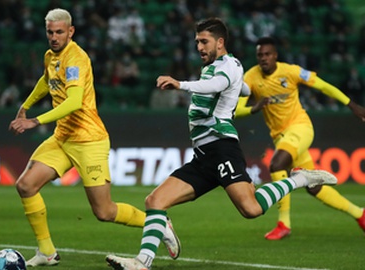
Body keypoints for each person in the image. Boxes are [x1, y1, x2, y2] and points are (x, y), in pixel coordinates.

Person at [105, 18, 337, 270]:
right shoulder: (222, 66)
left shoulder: (226, 66)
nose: (199, 47)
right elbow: (243, 89)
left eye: (204, 41)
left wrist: (180, 84)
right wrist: (242, 87)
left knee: (251, 209)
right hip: (203, 155)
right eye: (197, 42)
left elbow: (217, 85)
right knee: (155, 201)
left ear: (220, 42)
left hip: (221, 147)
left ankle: (300, 179)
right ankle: (142, 262)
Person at [7, 8, 179, 267]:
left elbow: (75, 101)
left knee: (104, 211)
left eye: (59, 32)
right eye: (50, 32)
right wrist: (26, 104)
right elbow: (47, 80)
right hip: (63, 138)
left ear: (71, 31)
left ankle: (157, 223)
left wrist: (34, 120)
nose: (54, 37)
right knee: (26, 185)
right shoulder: (50, 56)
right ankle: (47, 252)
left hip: (89, 140)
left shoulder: (75, 59)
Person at [235, 36, 365, 240]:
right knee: (315, 187)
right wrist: (254, 108)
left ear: (275, 55)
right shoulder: (251, 77)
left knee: (277, 165)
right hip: (281, 137)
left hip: (300, 127)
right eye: (260, 55)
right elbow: (236, 110)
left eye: (267, 54)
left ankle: (283, 223)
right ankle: (360, 214)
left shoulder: (291, 71)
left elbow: (323, 86)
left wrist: (351, 105)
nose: (263, 58)